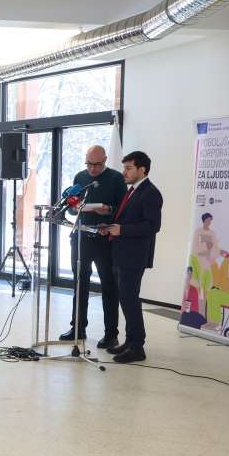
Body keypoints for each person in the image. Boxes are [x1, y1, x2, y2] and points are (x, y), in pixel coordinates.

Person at [99, 151, 163, 363]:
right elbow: (127, 218)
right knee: (126, 300)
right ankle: (130, 341)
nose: (124, 172)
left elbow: (153, 226)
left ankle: (137, 347)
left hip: (134, 256)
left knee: (130, 300)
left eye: (128, 168)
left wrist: (122, 230)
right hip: (121, 254)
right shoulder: (133, 191)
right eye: (124, 168)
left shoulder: (150, 193)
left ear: (142, 170)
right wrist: (110, 226)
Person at [61, 145, 127, 347]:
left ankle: (111, 334)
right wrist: (74, 208)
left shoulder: (116, 178)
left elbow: (123, 210)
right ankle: (78, 328)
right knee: (80, 283)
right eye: (88, 164)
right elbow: (71, 207)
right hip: (81, 237)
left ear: (105, 160)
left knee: (109, 286)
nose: (92, 169)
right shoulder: (80, 177)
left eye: (96, 165)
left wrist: (108, 210)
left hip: (105, 239)